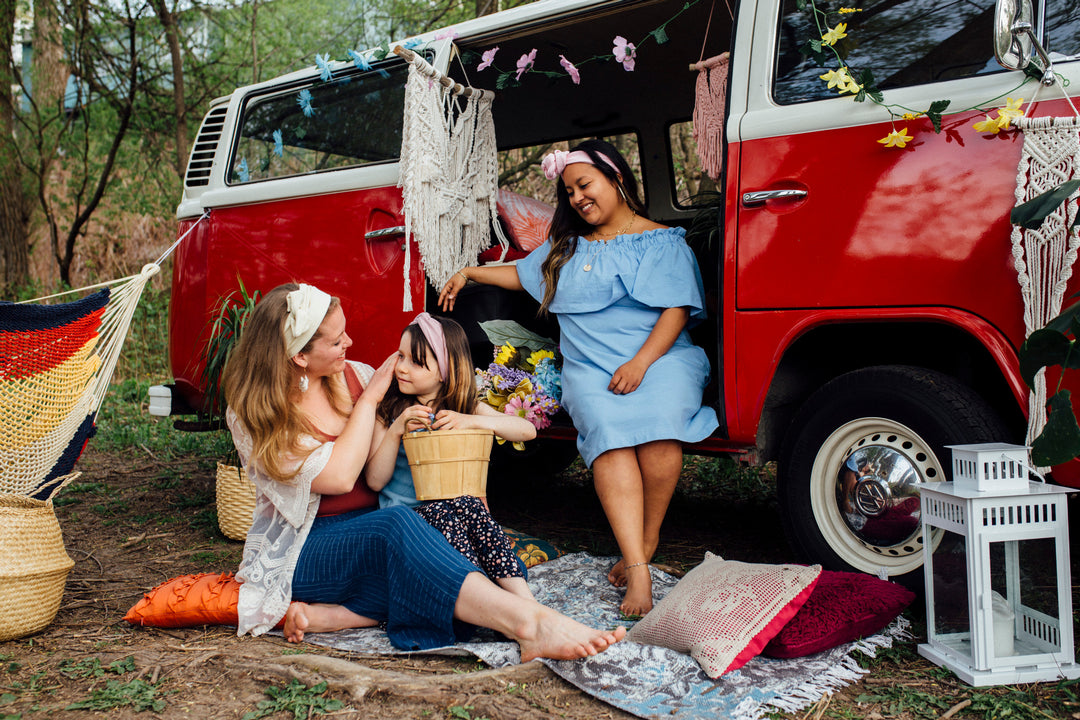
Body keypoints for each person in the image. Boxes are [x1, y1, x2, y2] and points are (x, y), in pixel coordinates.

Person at [222, 282, 625, 660]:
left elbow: (437, 381)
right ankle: (530, 623)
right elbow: (342, 478)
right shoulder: (254, 414)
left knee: (442, 547)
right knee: (400, 529)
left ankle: (336, 615)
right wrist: (371, 401)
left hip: (375, 532)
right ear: (300, 357)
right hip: (311, 548)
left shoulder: (351, 374)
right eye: (336, 340)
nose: (350, 342)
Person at [439, 140, 718, 616]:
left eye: (584, 185)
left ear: (617, 178)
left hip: (661, 358)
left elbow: (676, 310)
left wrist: (641, 364)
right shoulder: (565, 248)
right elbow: (522, 275)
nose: (577, 198)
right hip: (591, 366)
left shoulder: (663, 240)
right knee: (608, 435)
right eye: (568, 191)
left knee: (661, 429)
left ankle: (647, 536)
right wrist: (472, 272)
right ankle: (638, 568)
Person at [366, 313, 537, 601]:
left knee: (468, 507)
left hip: (459, 516)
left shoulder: (462, 407)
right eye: (401, 356)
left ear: (444, 370)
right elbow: (374, 481)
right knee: (452, 512)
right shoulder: (390, 410)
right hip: (408, 521)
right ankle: (486, 597)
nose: (402, 368)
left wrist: (472, 420)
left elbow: (527, 430)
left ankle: (525, 603)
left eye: (416, 362)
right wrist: (397, 430)